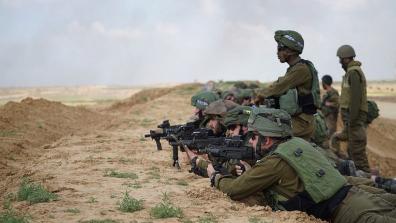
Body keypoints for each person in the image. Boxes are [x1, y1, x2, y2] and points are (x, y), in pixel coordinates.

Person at [207, 108, 396, 222]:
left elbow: (233, 189)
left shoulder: (274, 162)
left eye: (253, 137)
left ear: (266, 140)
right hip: (359, 195)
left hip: (350, 213)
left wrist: (215, 175)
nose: (250, 142)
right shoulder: (298, 143)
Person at [255, 30, 320, 141]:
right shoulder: (295, 68)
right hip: (297, 119)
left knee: (265, 134)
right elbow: (279, 83)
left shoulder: (300, 70)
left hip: (301, 123)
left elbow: (279, 87)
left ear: (289, 51)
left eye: (279, 49)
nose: (277, 53)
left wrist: (258, 96)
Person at [331, 45, 370, 172]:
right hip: (352, 122)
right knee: (351, 151)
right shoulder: (351, 72)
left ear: (346, 58)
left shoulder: (353, 72)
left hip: (354, 121)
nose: (340, 62)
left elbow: (355, 98)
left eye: (341, 59)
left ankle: (368, 181)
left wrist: (352, 121)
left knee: (357, 153)